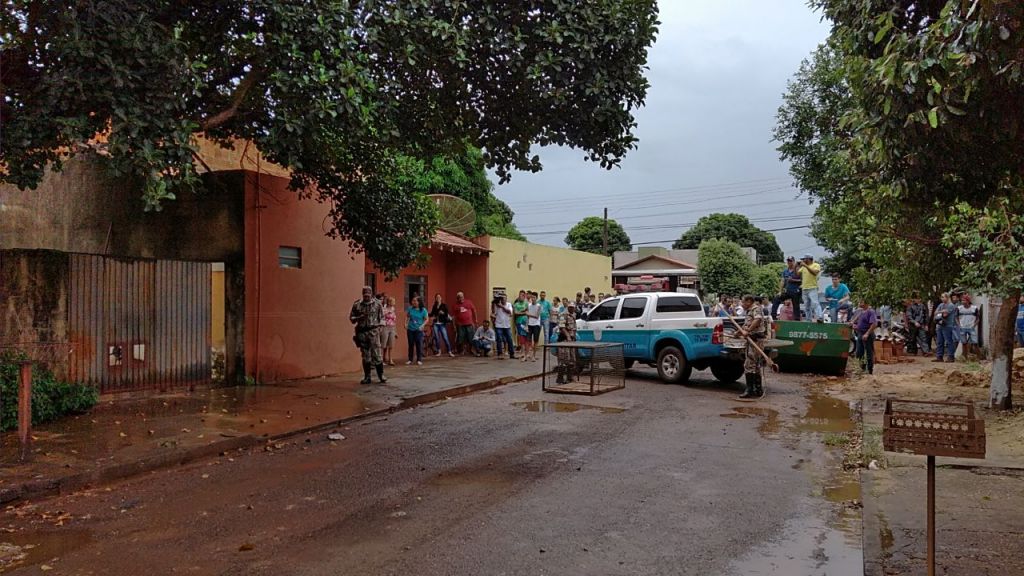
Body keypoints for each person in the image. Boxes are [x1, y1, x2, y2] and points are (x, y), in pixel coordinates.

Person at [350, 286, 387, 384]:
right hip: (362, 332)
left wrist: (380, 327)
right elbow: (351, 318)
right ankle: (367, 376)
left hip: (373, 331)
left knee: (377, 354)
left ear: (371, 294)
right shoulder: (357, 304)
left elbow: (382, 318)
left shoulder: (377, 304)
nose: (366, 296)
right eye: (365, 294)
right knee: (365, 355)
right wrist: (358, 317)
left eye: (368, 294)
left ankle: (381, 375)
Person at [735, 295, 767, 399]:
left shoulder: (756, 309)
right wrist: (738, 333)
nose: (742, 304)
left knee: (749, 365)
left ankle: (750, 390)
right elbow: (746, 325)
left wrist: (747, 331)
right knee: (755, 365)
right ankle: (757, 389)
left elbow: (757, 321)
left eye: (743, 302)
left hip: (756, 340)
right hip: (752, 340)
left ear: (749, 301)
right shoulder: (749, 311)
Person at [795, 254, 823, 322]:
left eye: (804, 259)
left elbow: (815, 273)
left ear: (808, 259)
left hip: (812, 287)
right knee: (807, 306)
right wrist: (797, 266)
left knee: (815, 303)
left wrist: (805, 265)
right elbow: (797, 274)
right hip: (804, 288)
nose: (803, 261)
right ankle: (808, 319)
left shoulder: (816, 265)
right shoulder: (803, 267)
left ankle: (820, 317)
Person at [555, 302, 578, 384]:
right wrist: (568, 336)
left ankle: (569, 377)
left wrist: (574, 337)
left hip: (572, 341)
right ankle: (560, 379)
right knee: (564, 360)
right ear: (568, 307)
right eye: (570, 307)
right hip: (564, 340)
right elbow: (562, 327)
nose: (572, 308)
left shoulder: (574, 315)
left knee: (572, 360)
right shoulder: (563, 315)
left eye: (573, 307)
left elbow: (574, 328)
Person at [854, 300, 878, 375]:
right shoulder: (861, 311)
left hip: (867, 334)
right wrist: (856, 326)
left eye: (861, 302)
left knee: (869, 352)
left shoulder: (871, 312)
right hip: (860, 333)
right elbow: (858, 322)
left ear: (866, 303)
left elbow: (874, 324)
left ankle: (870, 370)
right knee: (859, 352)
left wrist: (867, 333)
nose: (859, 303)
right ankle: (862, 368)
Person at [933, 293, 957, 363]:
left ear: (947, 297)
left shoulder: (951, 305)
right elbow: (935, 313)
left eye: (943, 297)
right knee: (939, 341)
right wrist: (941, 312)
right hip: (940, 325)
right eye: (941, 297)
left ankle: (951, 356)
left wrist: (939, 312)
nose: (942, 298)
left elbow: (945, 314)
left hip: (948, 325)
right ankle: (939, 356)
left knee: (949, 341)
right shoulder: (941, 305)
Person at [453, 291, 478, 355]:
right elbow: (454, 316)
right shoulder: (455, 305)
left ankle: (471, 350)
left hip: (469, 323)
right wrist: (454, 326)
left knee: (471, 337)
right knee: (461, 338)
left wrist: (476, 320)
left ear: (463, 297)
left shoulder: (468, 302)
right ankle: (463, 350)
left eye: (461, 297)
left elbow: (474, 310)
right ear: (457, 298)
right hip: (460, 324)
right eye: (459, 297)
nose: (460, 298)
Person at [405, 296, 428, 365]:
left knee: (418, 344)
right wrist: (405, 323)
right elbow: (407, 316)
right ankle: (410, 359)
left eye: (415, 301)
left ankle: (419, 359)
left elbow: (426, 319)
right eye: (413, 301)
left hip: (418, 329)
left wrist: (422, 325)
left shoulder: (423, 310)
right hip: (410, 329)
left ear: (419, 302)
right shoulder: (410, 309)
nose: (413, 302)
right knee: (411, 344)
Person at [492, 295, 516, 359]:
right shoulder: (497, 305)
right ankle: (500, 354)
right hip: (498, 325)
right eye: (501, 299)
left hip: (507, 325)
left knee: (509, 339)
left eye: (504, 298)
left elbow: (510, 312)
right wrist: (494, 304)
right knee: (499, 339)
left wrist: (502, 306)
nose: (503, 300)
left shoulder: (509, 304)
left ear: (506, 299)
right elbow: (494, 313)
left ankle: (512, 354)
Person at [958, 295, 981, 359]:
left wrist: (974, 325)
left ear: (968, 301)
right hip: (962, 327)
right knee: (964, 343)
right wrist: (959, 325)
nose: (962, 302)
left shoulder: (974, 308)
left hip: (971, 327)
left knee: (975, 343)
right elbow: (956, 317)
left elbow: (978, 318)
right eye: (962, 300)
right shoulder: (959, 308)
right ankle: (965, 357)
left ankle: (979, 357)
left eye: (964, 300)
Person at [781, 256, 803, 320]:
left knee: (796, 305)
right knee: (778, 298)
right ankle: (773, 315)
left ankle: (797, 319)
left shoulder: (797, 269)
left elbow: (802, 280)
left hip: (796, 290)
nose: (789, 262)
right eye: (788, 261)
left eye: (790, 261)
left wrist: (793, 280)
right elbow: (782, 281)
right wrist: (780, 290)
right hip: (788, 290)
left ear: (793, 261)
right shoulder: (785, 271)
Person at [525, 292, 542, 362]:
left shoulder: (539, 306)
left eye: (534, 297)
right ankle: (526, 356)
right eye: (531, 297)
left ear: (536, 298)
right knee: (528, 340)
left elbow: (537, 316)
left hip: (536, 325)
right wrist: (526, 325)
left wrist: (529, 314)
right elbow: (527, 316)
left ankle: (533, 356)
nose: (532, 299)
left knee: (535, 341)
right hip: (529, 324)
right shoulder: (529, 305)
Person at [513, 290, 530, 358]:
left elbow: (528, 312)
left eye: (523, 295)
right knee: (521, 338)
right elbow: (515, 313)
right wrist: (523, 312)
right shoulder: (516, 304)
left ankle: (527, 353)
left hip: (525, 322)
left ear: (524, 296)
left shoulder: (526, 303)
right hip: (518, 322)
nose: (521, 297)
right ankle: (522, 352)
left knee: (527, 338)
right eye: (520, 295)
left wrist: (528, 322)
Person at [381, 296, 397, 366]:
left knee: (391, 344)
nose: (393, 303)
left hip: (392, 327)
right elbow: (382, 317)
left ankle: (390, 359)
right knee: (383, 344)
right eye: (392, 302)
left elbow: (394, 320)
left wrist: (396, 331)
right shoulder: (384, 309)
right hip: (385, 327)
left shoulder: (393, 309)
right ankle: (382, 358)